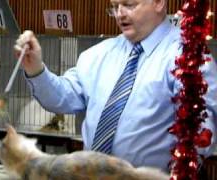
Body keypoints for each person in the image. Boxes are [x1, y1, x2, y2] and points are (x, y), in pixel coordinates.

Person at [14, 0, 217, 172]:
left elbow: (201, 130)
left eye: (128, 4)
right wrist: (36, 69)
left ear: (159, 2)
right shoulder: (98, 55)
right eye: (114, 6)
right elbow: (62, 97)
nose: (120, 14)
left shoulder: (188, 57)